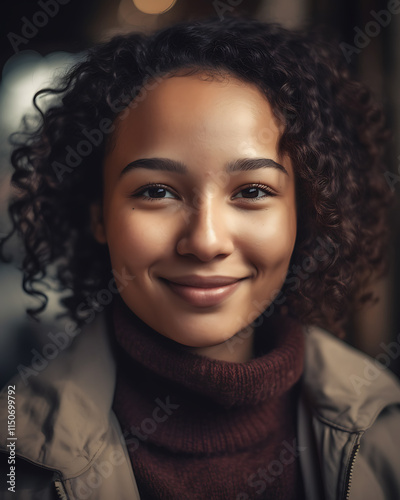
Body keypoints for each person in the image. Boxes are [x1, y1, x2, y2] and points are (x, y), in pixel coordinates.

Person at [0, 15, 399, 500]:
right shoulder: (15, 457)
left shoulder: (387, 432)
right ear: (98, 216)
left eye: (252, 190)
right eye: (156, 191)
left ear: (305, 211)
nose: (206, 241)